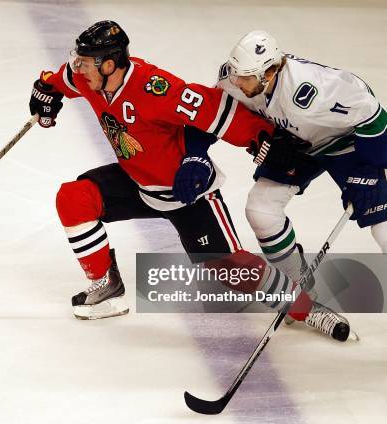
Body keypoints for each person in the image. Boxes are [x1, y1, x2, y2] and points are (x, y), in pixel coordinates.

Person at [28, 21, 350, 341]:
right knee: (74, 199)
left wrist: (263, 137)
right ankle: (106, 286)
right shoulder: (90, 79)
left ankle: (307, 307)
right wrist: (46, 90)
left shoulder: (155, 87)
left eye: (85, 61)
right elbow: (61, 80)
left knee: (230, 270)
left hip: (189, 192)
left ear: (109, 64)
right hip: (137, 183)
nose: (78, 67)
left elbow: (215, 108)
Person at [216, 30, 387, 289]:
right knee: (260, 210)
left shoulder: (310, 89)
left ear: (270, 73)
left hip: (344, 143)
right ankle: (298, 288)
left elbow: (371, 112)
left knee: (381, 222)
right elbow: (218, 111)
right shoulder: (232, 79)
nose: (236, 81)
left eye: (246, 77)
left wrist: (369, 166)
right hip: (297, 145)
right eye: (235, 72)